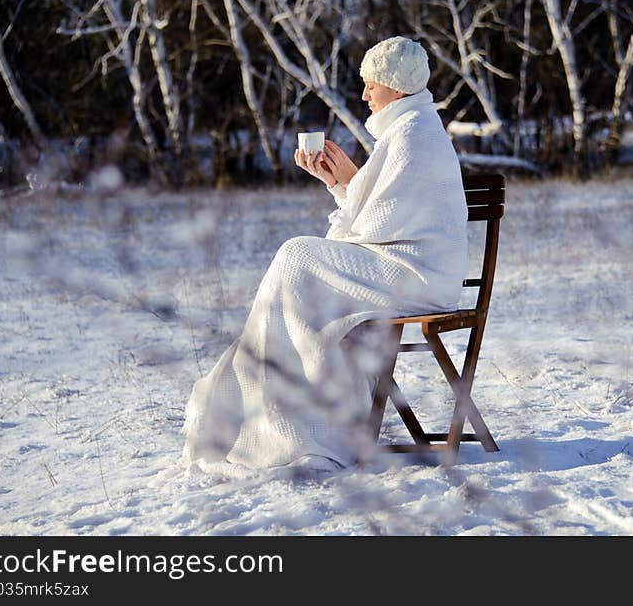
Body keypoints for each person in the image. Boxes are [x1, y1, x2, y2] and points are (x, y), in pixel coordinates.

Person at [182, 37, 468, 473]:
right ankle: (297, 414)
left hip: (416, 274)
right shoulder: (407, 130)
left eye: (371, 85)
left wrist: (348, 185)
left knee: (297, 254)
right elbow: (383, 218)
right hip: (403, 267)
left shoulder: (413, 135)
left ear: (395, 86)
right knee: (302, 272)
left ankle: (290, 421)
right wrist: (342, 183)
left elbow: (376, 227)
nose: (365, 94)